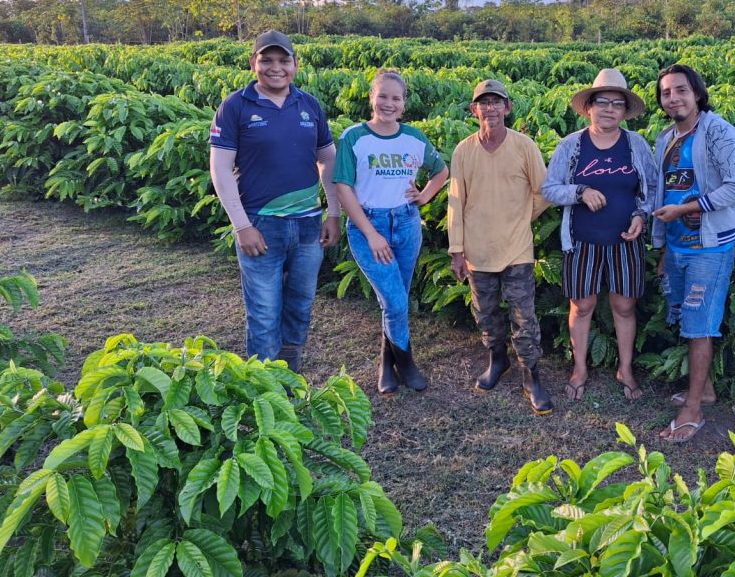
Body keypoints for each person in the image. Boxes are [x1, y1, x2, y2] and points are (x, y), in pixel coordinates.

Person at [209, 29, 340, 371]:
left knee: (300, 306)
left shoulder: (309, 105)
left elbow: (328, 159)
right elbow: (220, 168)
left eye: (284, 60)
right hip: (260, 225)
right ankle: (264, 387)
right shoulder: (234, 107)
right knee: (264, 313)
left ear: (296, 64)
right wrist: (241, 225)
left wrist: (333, 212)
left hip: (308, 225)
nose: (276, 68)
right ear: (252, 63)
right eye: (266, 60)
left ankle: (289, 377)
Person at [542, 68, 655, 402]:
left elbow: (652, 189)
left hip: (625, 240)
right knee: (582, 304)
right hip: (582, 239)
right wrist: (580, 192)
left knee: (624, 305)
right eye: (602, 102)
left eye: (617, 104)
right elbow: (550, 188)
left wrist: (641, 215)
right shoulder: (571, 146)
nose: (609, 109)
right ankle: (579, 368)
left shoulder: (636, 145)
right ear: (589, 107)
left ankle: (625, 368)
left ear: (625, 111)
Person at [651, 64, 735, 443]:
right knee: (685, 317)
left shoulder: (719, 131)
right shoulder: (666, 139)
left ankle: (692, 410)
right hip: (677, 245)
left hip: (710, 246)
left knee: (699, 324)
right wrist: (663, 247)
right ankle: (704, 390)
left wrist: (687, 209)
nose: (673, 98)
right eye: (666, 93)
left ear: (697, 94)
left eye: (681, 90)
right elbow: (663, 193)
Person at [334, 69, 449, 395]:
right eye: (382, 96)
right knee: (396, 302)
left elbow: (441, 171)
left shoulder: (414, 137)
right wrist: (371, 234)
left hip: (407, 224)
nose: (388, 103)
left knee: (395, 299)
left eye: (395, 98)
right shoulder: (354, 137)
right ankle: (406, 363)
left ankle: (387, 364)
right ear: (371, 97)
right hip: (369, 226)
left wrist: (423, 196)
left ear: (403, 104)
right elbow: (343, 188)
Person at [448, 79, 553, 415]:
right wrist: (456, 249)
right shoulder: (463, 150)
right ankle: (497, 360)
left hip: (516, 248)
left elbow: (543, 191)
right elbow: (456, 202)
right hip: (477, 250)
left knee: (524, 316)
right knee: (486, 313)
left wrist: (521, 218)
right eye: (483, 102)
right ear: (474, 110)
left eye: (496, 102)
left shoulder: (524, 146)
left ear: (507, 108)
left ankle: (531, 375)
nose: (490, 108)